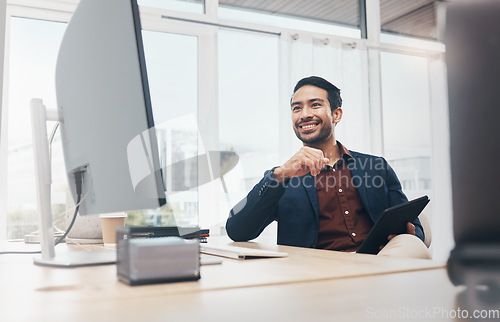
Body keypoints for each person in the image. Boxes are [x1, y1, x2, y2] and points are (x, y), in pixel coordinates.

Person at [225, 76, 431, 259]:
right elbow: (237, 230)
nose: (304, 114)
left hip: (378, 262)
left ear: (336, 115)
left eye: (315, 105)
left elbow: (413, 224)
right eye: (297, 108)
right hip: (316, 274)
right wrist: (281, 174)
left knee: (410, 245)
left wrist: (409, 233)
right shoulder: (282, 177)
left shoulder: (376, 167)